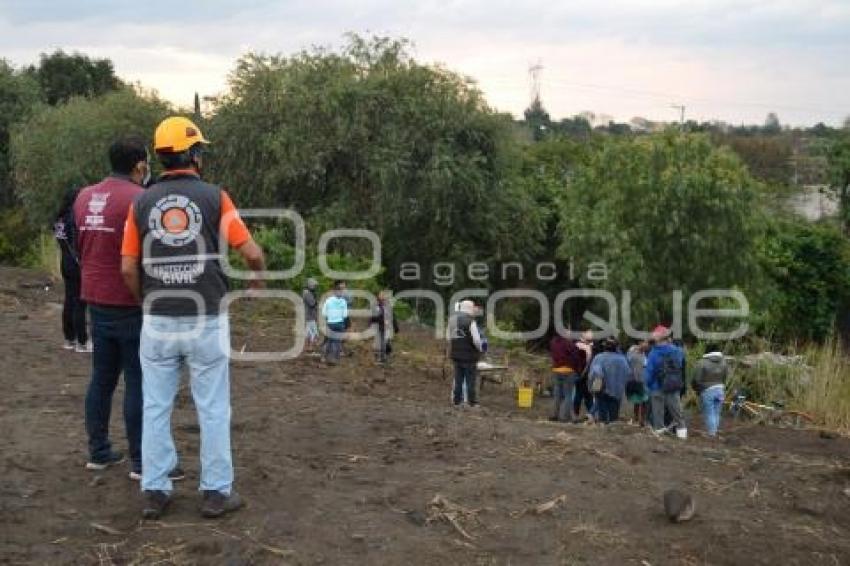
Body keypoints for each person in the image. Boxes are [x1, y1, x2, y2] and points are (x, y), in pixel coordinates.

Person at [121, 116, 266, 519]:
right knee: (213, 407)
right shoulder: (216, 197)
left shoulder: (141, 203)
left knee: (155, 406)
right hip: (207, 319)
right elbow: (252, 252)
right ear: (194, 154)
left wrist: (143, 302)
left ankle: (155, 490)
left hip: (157, 321)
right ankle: (217, 493)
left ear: (161, 158)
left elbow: (128, 269)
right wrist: (256, 283)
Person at [74, 138, 150, 478]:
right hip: (130, 301)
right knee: (137, 380)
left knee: (101, 379)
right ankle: (140, 461)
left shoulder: (84, 196)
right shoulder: (140, 199)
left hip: (95, 297)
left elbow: (80, 243)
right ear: (139, 165)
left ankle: (99, 451)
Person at [54, 186, 88, 351]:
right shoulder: (72, 217)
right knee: (80, 303)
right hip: (76, 264)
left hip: (64, 262)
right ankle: (82, 341)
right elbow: (78, 241)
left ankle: (69, 339)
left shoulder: (58, 218)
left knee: (69, 300)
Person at [645, 325, 686, 435]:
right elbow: (680, 365)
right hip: (673, 386)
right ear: (667, 338)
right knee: (677, 414)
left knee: (658, 414)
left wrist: (648, 385)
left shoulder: (653, 354)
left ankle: (660, 436)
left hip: (656, 387)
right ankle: (682, 436)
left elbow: (649, 373)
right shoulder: (677, 351)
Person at [447, 300, 484, 407]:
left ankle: (456, 401)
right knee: (470, 381)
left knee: (458, 380)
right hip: (469, 356)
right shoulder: (471, 322)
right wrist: (480, 349)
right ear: (469, 309)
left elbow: (448, 338)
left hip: (456, 356)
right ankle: (472, 402)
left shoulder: (452, 321)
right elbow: (477, 340)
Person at [587, 338, 631, 424]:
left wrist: (590, 387)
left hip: (601, 390)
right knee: (613, 417)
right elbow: (628, 374)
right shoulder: (622, 359)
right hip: (616, 392)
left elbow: (592, 374)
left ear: (605, 347)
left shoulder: (598, 358)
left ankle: (603, 432)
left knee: (602, 417)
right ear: (616, 348)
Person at [549, 330, 586, 422]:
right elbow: (575, 356)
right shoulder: (568, 344)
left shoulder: (553, 343)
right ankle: (564, 416)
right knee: (568, 395)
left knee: (557, 394)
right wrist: (578, 369)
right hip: (568, 371)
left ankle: (554, 415)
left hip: (556, 370)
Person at [692, 344, 729, 437]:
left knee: (709, 412)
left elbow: (697, 379)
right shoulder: (724, 362)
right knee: (717, 412)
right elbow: (725, 377)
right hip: (720, 389)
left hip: (707, 390)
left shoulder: (702, 362)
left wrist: (697, 389)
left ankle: (711, 434)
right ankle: (714, 431)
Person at [321, 281, 349, 364]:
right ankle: (335, 359)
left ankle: (324, 357)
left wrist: (329, 316)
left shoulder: (328, 300)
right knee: (337, 342)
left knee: (328, 341)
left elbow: (323, 313)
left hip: (330, 323)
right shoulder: (343, 301)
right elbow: (345, 315)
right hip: (340, 323)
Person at [626, 339, 650, 426]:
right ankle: (637, 418)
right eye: (645, 342)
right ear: (640, 343)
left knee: (644, 400)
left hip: (643, 379)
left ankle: (641, 419)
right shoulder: (632, 352)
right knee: (637, 400)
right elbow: (629, 362)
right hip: (635, 379)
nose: (647, 344)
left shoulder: (645, 353)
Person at [370, 290, 398, 364]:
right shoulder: (375, 305)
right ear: (378, 296)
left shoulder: (387, 305)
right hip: (379, 326)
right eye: (381, 295)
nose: (383, 296)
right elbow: (373, 317)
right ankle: (380, 357)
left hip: (387, 327)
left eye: (383, 295)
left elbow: (392, 316)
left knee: (385, 342)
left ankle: (383, 357)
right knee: (380, 342)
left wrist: (395, 326)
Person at [573, 330, 595, 419]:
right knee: (585, 395)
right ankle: (589, 413)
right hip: (583, 374)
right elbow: (587, 361)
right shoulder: (582, 346)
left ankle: (578, 414)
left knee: (582, 394)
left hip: (581, 374)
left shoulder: (579, 345)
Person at [302, 278, 319, 351]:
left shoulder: (307, 293)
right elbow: (312, 304)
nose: (315, 287)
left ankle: (309, 347)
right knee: (313, 332)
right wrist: (316, 302)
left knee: (310, 332)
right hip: (310, 315)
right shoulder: (308, 294)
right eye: (314, 286)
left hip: (310, 315)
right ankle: (309, 347)